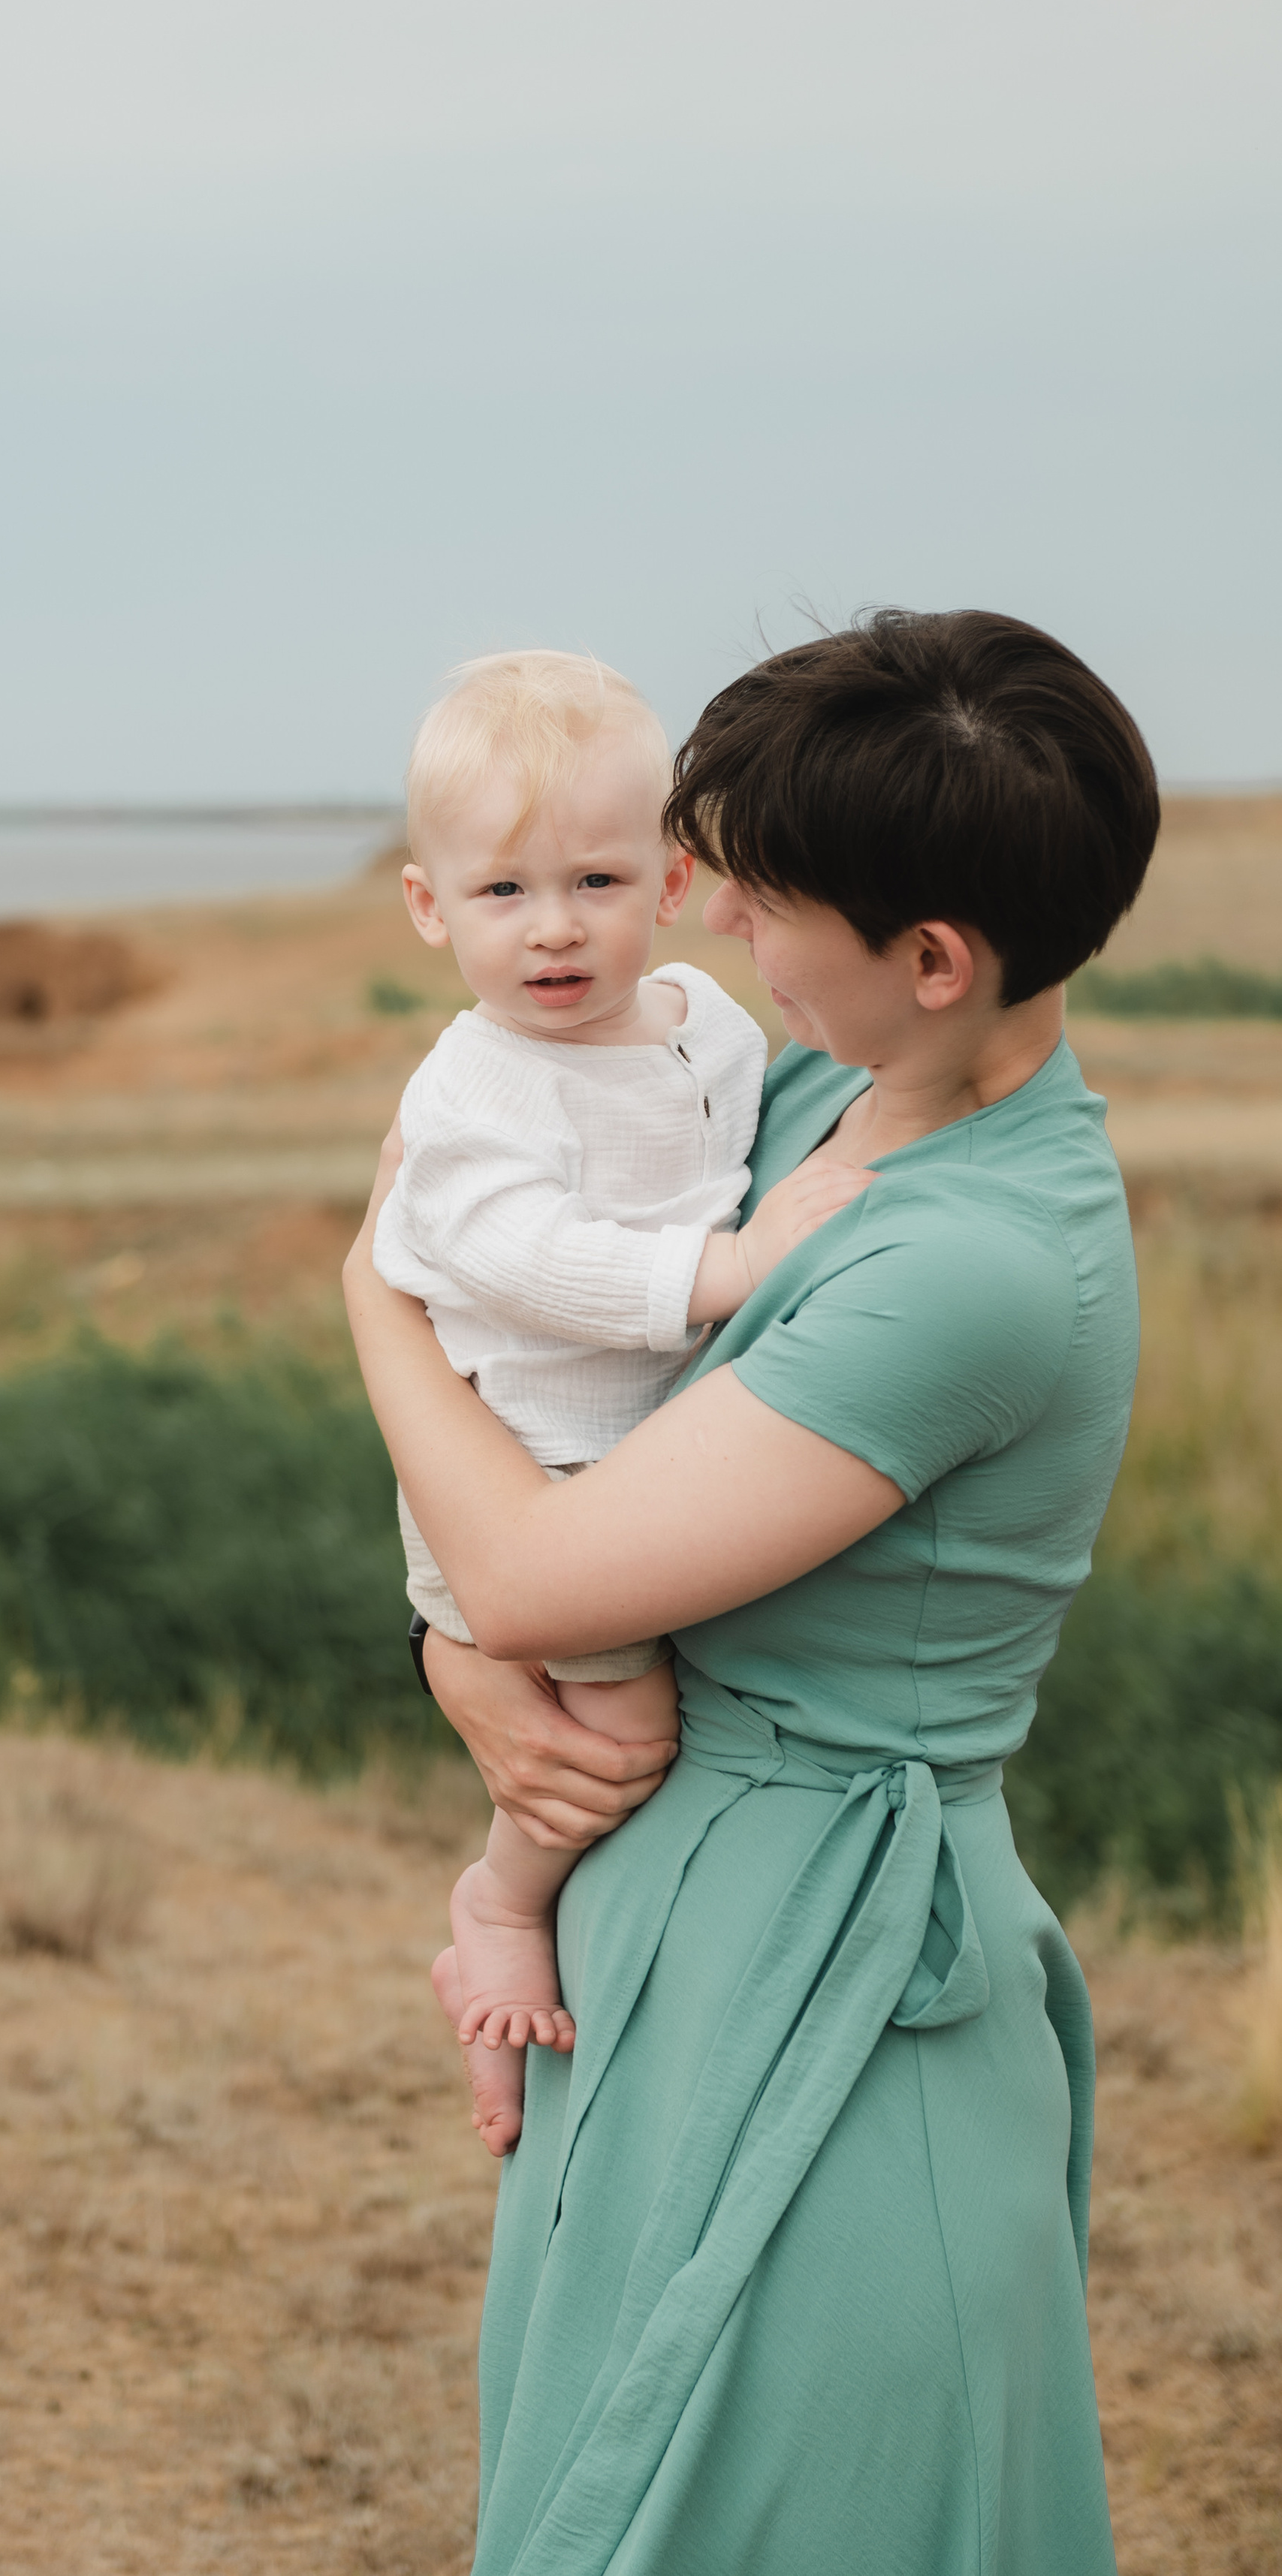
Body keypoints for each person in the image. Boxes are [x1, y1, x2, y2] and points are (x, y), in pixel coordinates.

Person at [344, 607, 1157, 2574]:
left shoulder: (967, 1261)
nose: (712, 929)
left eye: (766, 900)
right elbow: (525, 1309)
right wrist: (460, 1663)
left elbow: (533, 1556)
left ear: (934, 959)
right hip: (671, 1922)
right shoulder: (822, 1100)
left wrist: (369, 1295)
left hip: (826, 1967)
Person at [376, 649, 868, 2151]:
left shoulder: (703, 1023)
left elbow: (736, 1136)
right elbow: (523, 1262)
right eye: (501, 894)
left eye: (592, 881)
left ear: (666, 879)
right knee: (616, 1731)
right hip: (514, 1463)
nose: (551, 931)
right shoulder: (472, 1094)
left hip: (631, 1459)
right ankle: (501, 1902)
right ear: (427, 908)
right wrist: (716, 1274)